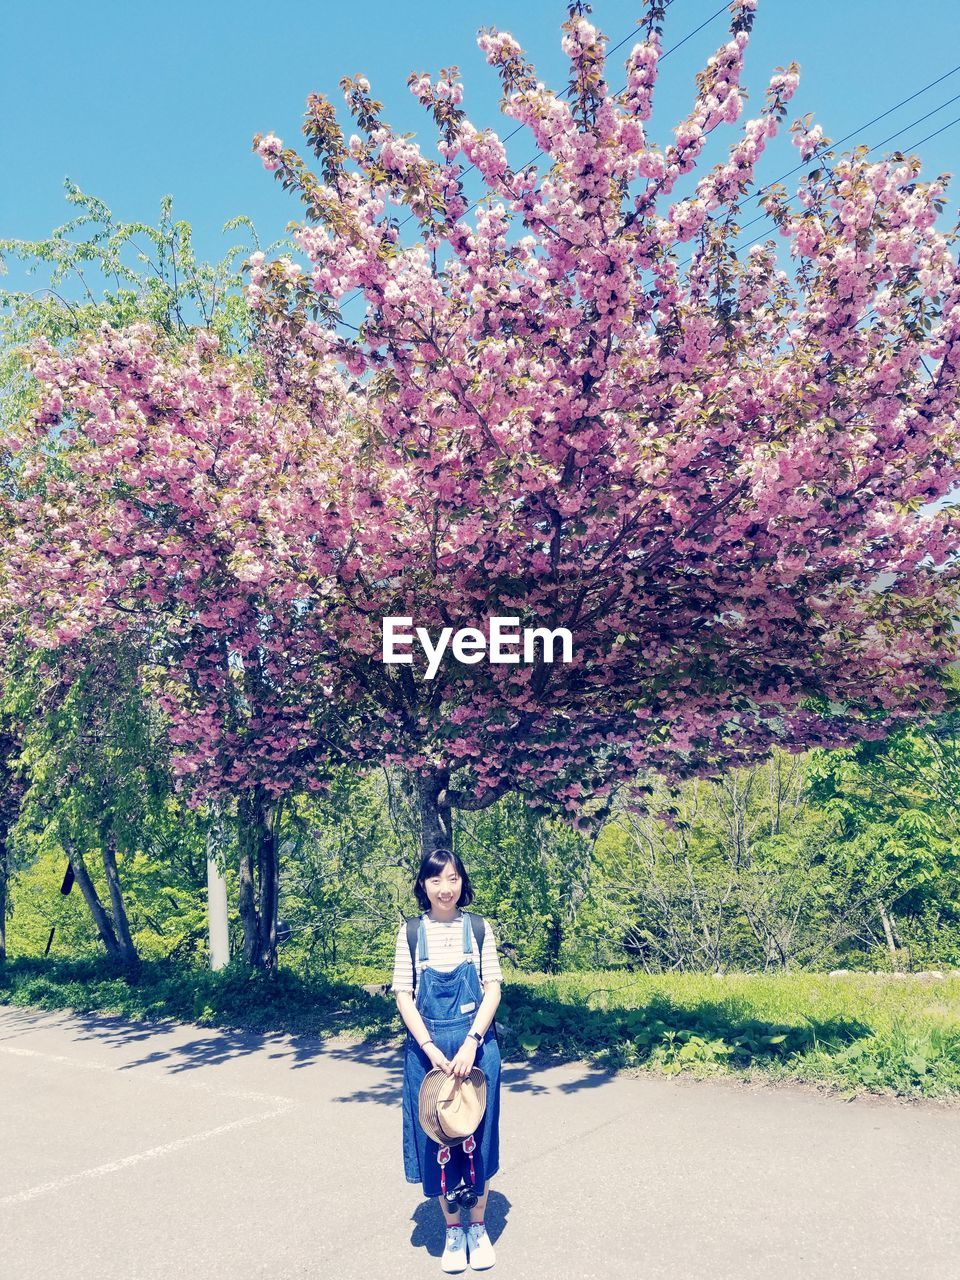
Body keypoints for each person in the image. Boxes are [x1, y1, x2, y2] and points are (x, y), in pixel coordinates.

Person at [392, 847, 503, 1273]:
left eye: (453, 878)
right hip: (428, 1051)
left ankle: (478, 1225)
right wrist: (430, 1048)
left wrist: (473, 1040)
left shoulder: (477, 929)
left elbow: (492, 988)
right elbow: (403, 993)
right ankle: (453, 1229)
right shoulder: (411, 933)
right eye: (436, 879)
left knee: (479, 1134)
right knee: (437, 1137)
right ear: (423, 885)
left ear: (462, 882)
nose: (445, 888)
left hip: (477, 1047)